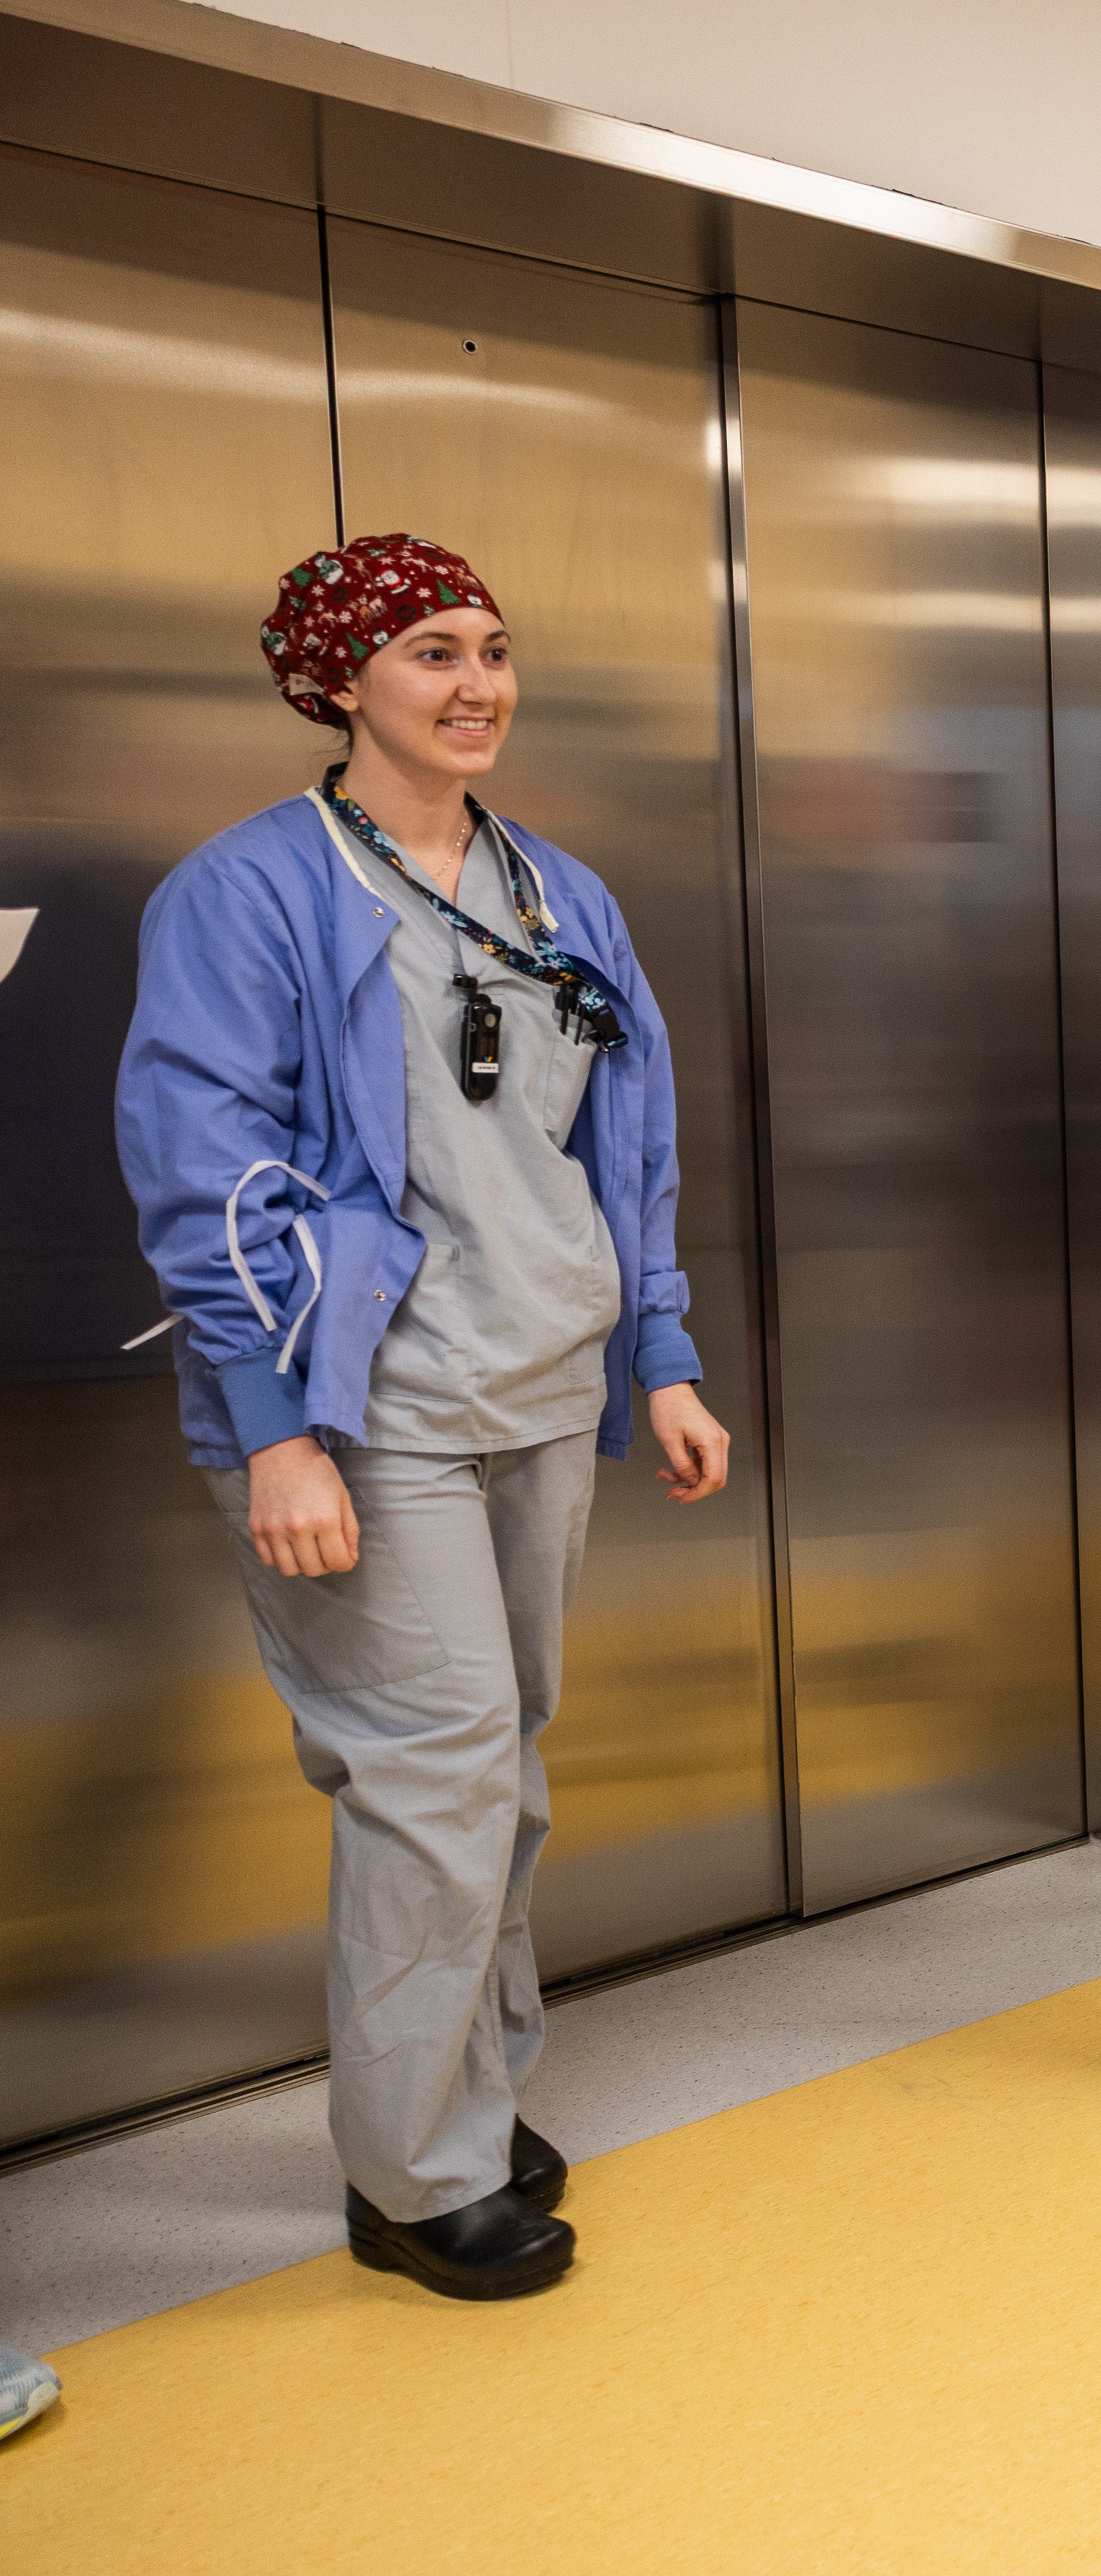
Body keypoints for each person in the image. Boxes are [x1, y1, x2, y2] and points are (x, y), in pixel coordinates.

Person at [114, 535, 733, 2302]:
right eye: (429, 654)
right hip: (357, 1407)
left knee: (501, 1774)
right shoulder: (249, 893)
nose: (475, 685)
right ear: (340, 679)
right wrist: (271, 1430)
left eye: (492, 649)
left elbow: (630, 1143)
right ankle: (410, 2174)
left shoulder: (561, 896)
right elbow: (197, 1173)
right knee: (437, 1775)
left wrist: (662, 1352)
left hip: (542, 1385)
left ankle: (461, 2084)